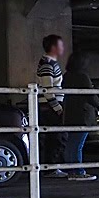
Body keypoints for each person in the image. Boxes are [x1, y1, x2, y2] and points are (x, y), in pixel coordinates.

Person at [61, 52, 99, 181]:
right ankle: (79, 171)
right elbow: (90, 95)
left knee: (71, 144)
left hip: (69, 113)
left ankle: (71, 170)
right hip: (82, 114)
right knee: (78, 144)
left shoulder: (67, 76)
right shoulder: (83, 76)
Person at [36, 34, 69, 179]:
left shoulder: (48, 63)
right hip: (50, 107)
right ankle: (51, 168)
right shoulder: (47, 65)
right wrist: (58, 108)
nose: (63, 48)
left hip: (48, 106)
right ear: (54, 47)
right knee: (55, 137)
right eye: (61, 45)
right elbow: (48, 90)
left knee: (53, 137)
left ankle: (51, 167)